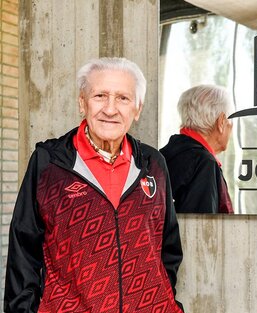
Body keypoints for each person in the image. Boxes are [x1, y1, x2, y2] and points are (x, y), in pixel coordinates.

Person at [4, 57, 184, 313]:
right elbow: (23, 252)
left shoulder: (153, 163)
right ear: (82, 103)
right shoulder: (49, 163)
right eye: (100, 96)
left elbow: (168, 248)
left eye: (123, 98)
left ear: (138, 109)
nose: (110, 109)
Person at [160, 85, 234, 214]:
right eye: (230, 120)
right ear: (221, 122)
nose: (231, 127)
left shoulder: (162, 155)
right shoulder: (203, 163)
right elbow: (203, 228)